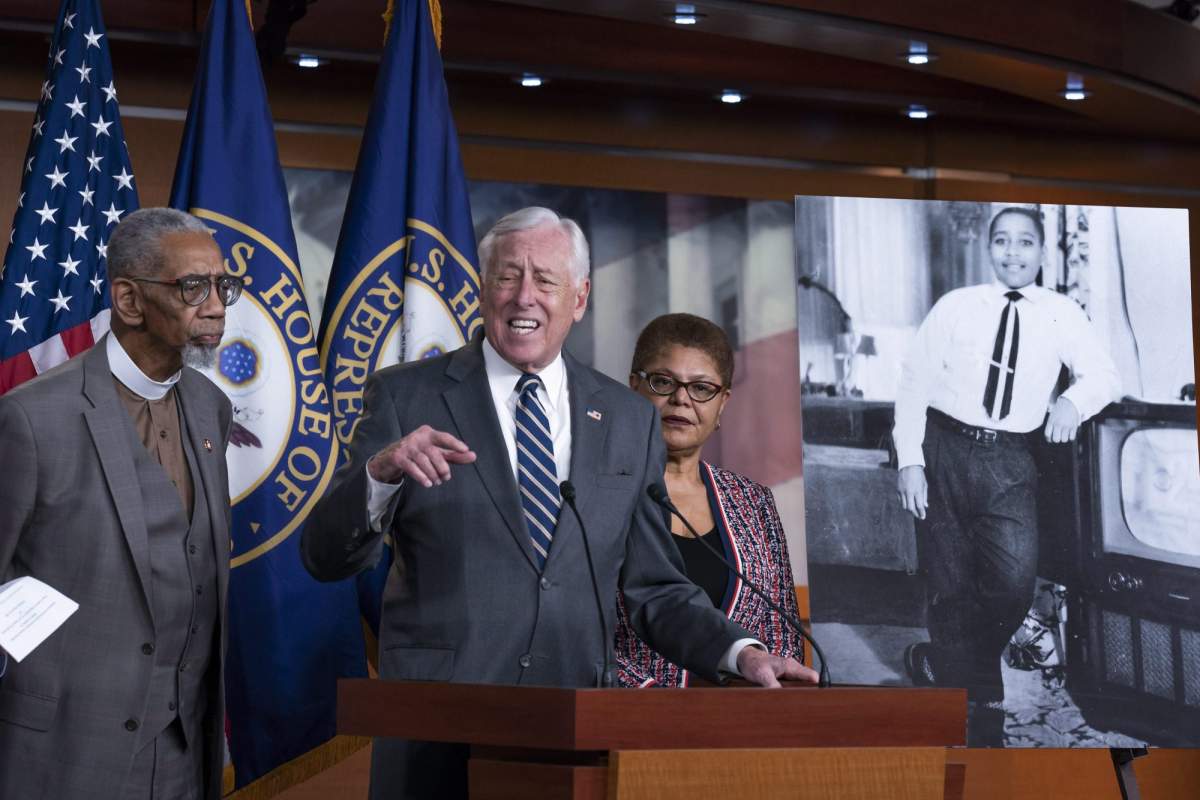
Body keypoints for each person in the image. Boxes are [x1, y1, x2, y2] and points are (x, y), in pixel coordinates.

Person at [301, 207, 816, 799]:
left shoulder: (627, 420)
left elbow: (655, 588)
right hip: (437, 729)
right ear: (482, 288)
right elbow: (324, 558)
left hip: (571, 737)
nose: (525, 297)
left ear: (579, 296)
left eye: (545, 280)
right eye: (506, 277)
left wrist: (740, 652)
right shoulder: (406, 395)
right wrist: (381, 474)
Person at [0, 208, 240, 798]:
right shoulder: (31, 418)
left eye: (223, 285)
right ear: (129, 302)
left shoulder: (211, 405)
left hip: (187, 747)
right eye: (193, 287)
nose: (215, 305)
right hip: (65, 752)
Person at [893, 205, 1121, 745]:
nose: (1012, 252)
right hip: (943, 446)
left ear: (1042, 253)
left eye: (1024, 243)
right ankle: (981, 703)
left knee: (1014, 582)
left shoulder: (1061, 312)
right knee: (949, 584)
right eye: (1002, 241)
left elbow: (1105, 376)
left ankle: (942, 661)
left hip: (1011, 459)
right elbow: (913, 382)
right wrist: (910, 461)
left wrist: (1071, 401)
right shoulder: (956, 306)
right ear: (989, 248)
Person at [614, 313, 805, 687]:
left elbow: (782, 638)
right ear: (634, 387)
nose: (681, 399)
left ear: (723, 403)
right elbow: (580, 634)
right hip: (626, 717)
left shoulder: (753, 501)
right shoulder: (596, 490)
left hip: (743, 722)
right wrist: (656, 708)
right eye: (663, 382)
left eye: (702, 388)